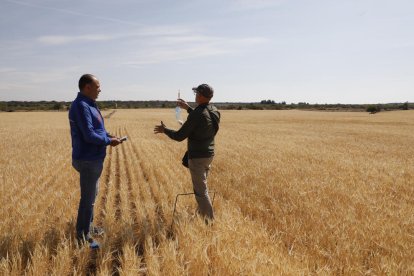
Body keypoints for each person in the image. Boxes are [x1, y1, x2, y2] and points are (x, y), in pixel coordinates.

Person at [69, 74, 122, 249]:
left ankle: (89, 227)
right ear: (87, 87)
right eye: (97, 86)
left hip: (93, 159)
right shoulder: (81, 106)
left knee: (92, 197)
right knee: (87, 199)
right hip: (87, 159)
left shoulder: (90, 105)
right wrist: (109, 141)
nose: (100, 89)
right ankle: (83, 236)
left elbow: (98, 130)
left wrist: (109, 135)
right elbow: (89, 135)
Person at [154, 84, 220, 221]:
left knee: (200, 192)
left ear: (201, 96)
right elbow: (203, 117)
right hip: (209, 155)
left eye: (196, 93)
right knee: (202, 187)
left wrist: (164, 130)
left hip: (197, 157)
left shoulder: (197, 114)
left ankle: (209, 221)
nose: (195, 95)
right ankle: (202, 216)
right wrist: (188, 108)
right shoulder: (214, 110)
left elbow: (179, 136)